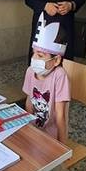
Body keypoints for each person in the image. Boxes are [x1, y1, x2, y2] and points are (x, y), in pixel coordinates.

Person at [23, 13, 71, 142]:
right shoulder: (30, 71)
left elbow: (60, 116)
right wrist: (28, 131)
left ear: (56, 60)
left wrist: (63, 146)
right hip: (33, 132)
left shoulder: (60, 75)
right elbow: (29, 103)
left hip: (51, 137)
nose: (34, 59)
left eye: (40, 55)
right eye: (33, 53)